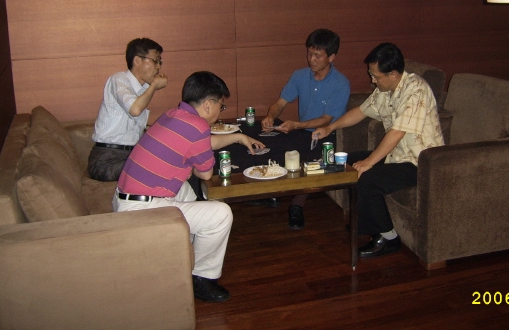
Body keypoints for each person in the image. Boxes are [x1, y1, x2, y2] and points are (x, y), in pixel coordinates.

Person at [113, 71, 265, 303]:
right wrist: (201, 159)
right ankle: (201, 278)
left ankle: (193, 246)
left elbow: (203, 142)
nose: (220, 111)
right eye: (221, 106)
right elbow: (204, 173)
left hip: (126, 198)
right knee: (221, 214)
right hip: (139, 212)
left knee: (187, 191)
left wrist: (238, 137)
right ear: (208, 105)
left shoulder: (173, 115)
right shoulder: (197, 126)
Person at [314, 42, 444, 259]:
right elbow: (361, 111)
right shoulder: (386, 89)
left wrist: (369, 162)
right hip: (397, 156)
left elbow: (397, 132)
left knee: (367, 178)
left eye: (376, 76)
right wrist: (330, 127)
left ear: (393, 74)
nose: (372, 80)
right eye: (371, 75)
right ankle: (366, 221)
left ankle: (389, 238)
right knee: (346, 162)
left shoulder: (416, 90)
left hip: (420, 162)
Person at [260, 29, 350, 229]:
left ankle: (296, 206)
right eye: (309, 53)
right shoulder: (300, 75)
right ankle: (271, 194)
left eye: (317, 55)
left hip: (326, 135)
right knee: (267, 145)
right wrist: (271, 116)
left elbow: (326, 119)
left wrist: (297, 125)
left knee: (312, 163)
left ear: (331, 57)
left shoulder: (341, 83)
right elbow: (280, 103)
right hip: (301, 131)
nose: (311, 59)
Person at [88, 38, 168, 182]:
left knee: (172, 160)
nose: (158, 67)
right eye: (155, 61)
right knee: (156, 169)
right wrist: (154, 85)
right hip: (106, 160)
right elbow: (135, 110)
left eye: (159, 62)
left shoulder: (143, 89)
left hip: (129, 156)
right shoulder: (118, 79)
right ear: (137, 60)